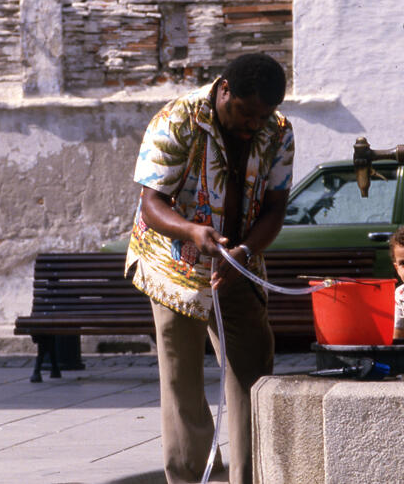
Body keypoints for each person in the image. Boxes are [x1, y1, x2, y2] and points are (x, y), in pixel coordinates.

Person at [125, 53, 294, 484]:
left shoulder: (279, 132)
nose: (253, 124)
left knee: (252, 373)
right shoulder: (177, 119)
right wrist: (192, 232)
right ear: (224, 90)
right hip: (174, 265)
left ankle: (250, 477)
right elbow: (151, 202)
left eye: (263, 115)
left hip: (239, 263)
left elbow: (275, 209)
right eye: (245, 112)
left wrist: (245, 251)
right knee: (182, 382)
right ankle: (190, 478)